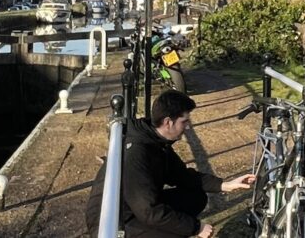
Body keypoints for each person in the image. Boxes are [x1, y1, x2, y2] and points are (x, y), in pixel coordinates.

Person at [85, 90, 255, 237]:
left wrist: (224, 184)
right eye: (184, 121)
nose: (188, 127)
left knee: (196, 197)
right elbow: (149, 212)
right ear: (168, 122)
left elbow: (182, 176)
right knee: (176, 229)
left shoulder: (155, 140)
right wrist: (195, 228)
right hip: (112, 223)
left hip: (135, 208)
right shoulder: (138, 152)